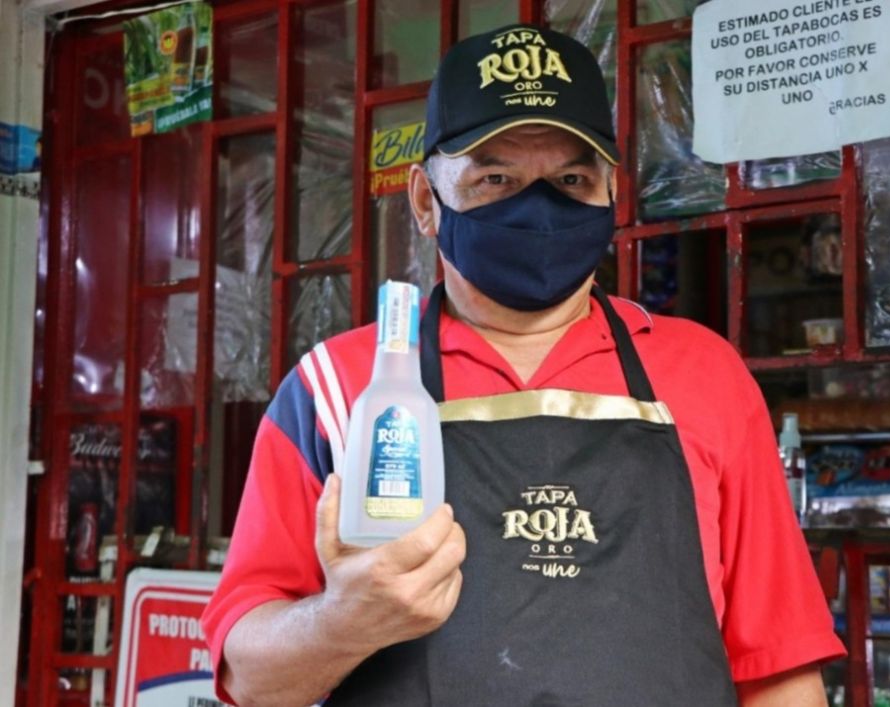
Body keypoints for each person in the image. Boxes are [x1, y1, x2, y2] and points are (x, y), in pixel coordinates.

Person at [201, 24, 846, 707]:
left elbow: (780, 670)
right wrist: (342, 622)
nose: (537, 207)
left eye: (571, 178)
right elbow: (249, 679)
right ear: (426, 200)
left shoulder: (706, 375)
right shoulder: (336, 389)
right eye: (496, 178)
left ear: (611, 195)